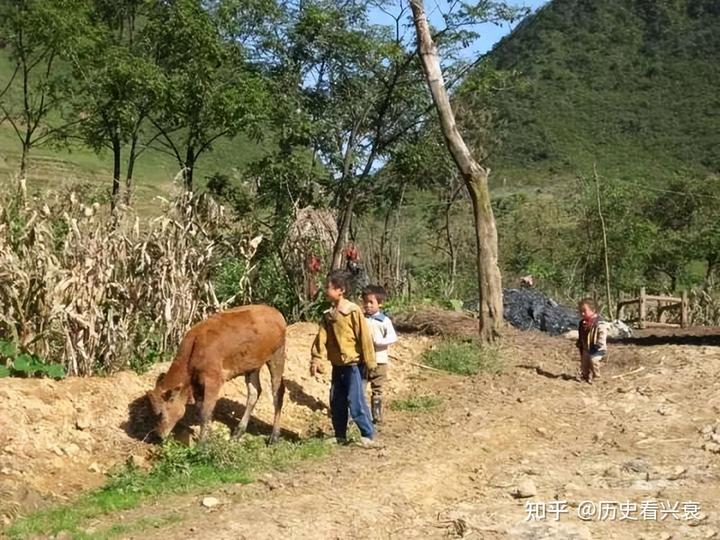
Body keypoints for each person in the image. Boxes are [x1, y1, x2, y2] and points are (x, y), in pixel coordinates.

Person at [310, 270, 378, 446]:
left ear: (340, 290)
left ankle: (368, 434)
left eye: (329, 287)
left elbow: (364, 338)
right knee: (336, 400)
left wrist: (370, 362)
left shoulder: (352, 311)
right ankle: (340, 434)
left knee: (355, 400)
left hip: (353, 365)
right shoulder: (328, 315)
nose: (325, 290)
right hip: (337, 365)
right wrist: (316, 359)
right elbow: (321, 338)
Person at [361, 285, 397, 424]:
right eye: (365, 302)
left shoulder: (384, 320)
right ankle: (360, 414)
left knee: (377, 388)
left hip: (379, 360)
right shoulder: (362, 319)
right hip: (363, 360)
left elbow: (393, 337)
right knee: (360, 388)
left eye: (371, 302)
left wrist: (380, 341)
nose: (368, 305)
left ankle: (377, 415)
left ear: (380, 304)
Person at [576, 298, 608, 384]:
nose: (582, 313)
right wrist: (580, 341)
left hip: (598, 348)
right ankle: (585, 375)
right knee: (584, 362)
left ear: (593, 310)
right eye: (581, 311)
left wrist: (598, 344)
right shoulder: (583, 323)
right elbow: (581, 333)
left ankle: (596, 376)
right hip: (587, 347)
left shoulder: (600, 323)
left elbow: (602, 334)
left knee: (594, 361)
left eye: (584, 311)